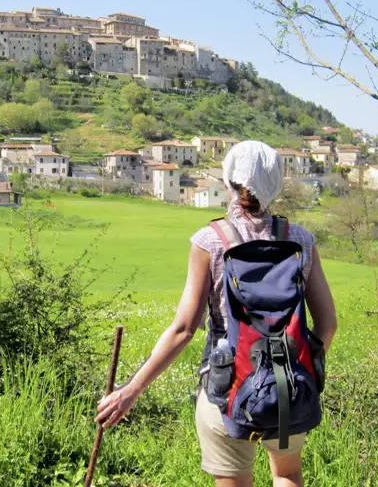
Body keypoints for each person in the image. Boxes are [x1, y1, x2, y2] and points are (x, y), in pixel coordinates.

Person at [96, 141, 338, 487]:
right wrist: (296, 369)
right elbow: (327, 325)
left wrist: (131, 390)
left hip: (226, 392)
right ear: (277, 184)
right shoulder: (300, 241)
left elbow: (183, 329)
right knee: (287, 475)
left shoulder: (210, 242)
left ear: (228, 182)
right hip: (288, 392)